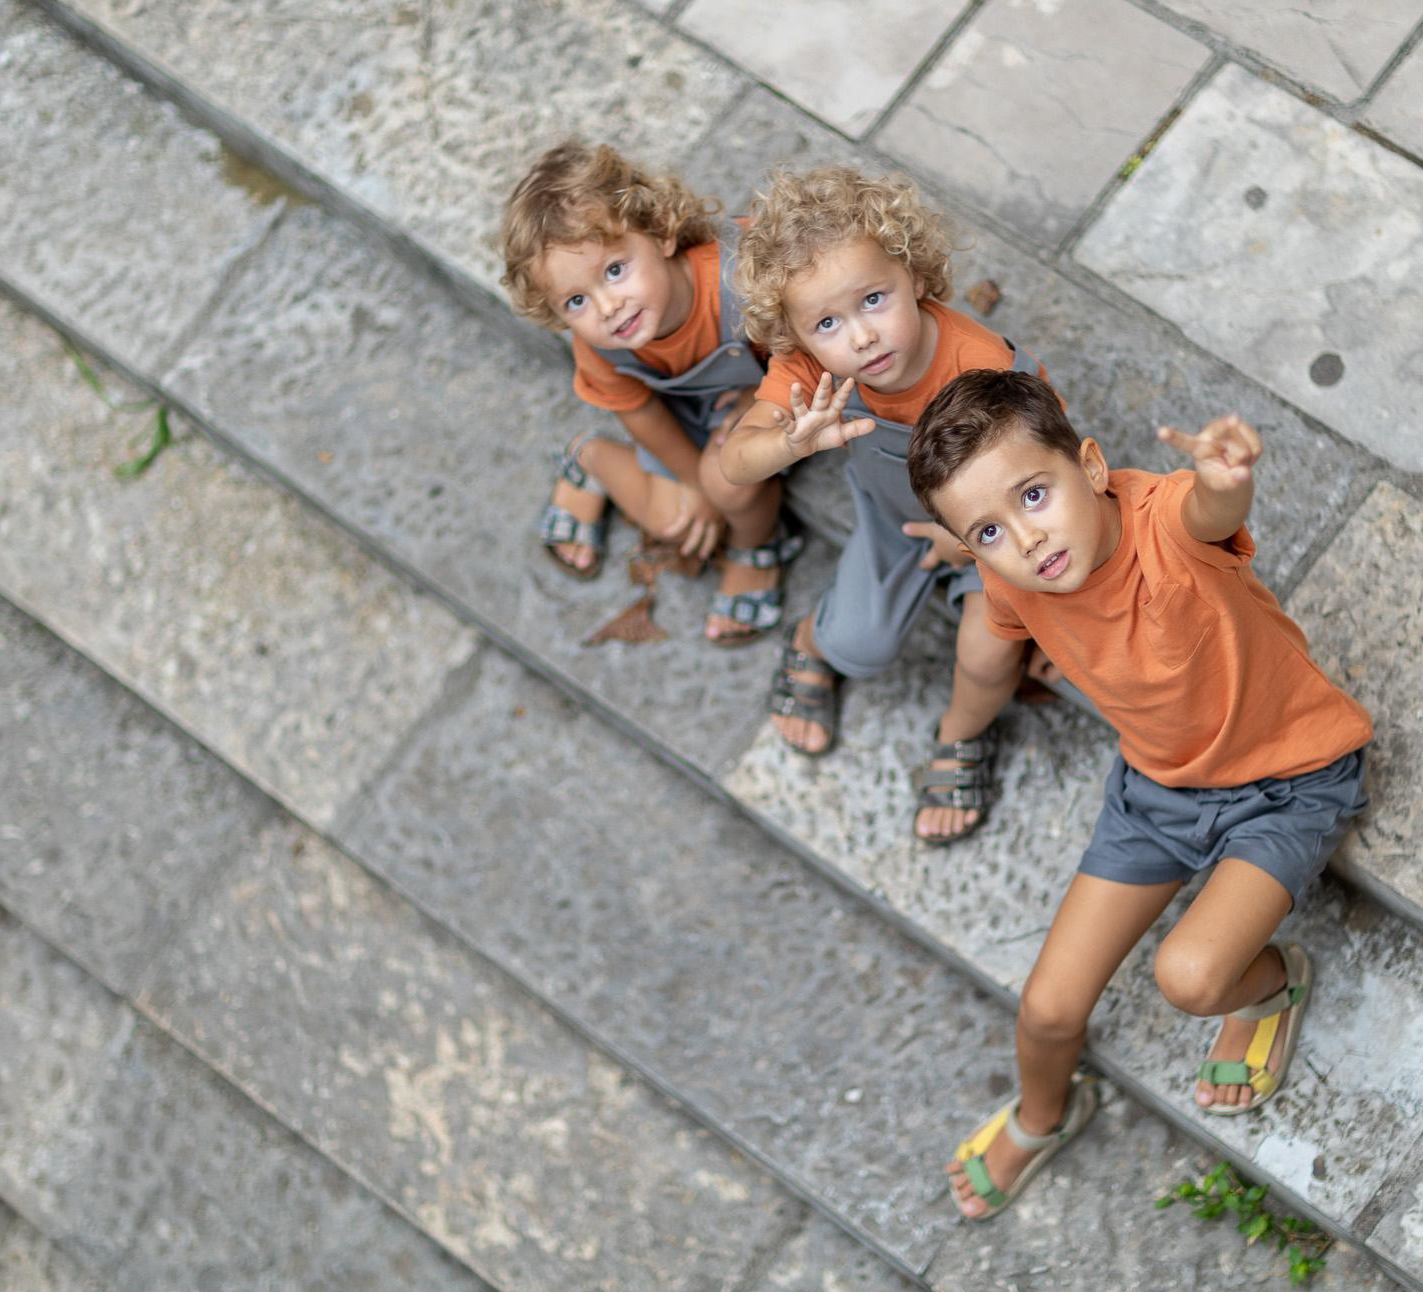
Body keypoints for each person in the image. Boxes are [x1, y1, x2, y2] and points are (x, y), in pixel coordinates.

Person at [905, 369, 1373, 1219]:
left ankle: (1274, 985)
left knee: (1191, 977)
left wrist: (1226, 478)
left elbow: (1208, 513)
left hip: (1290, 778)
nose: (1027, 538)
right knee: (1046, 1009)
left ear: (1091, 465)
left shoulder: (1165, 522)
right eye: (990, 530)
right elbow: (999, 599)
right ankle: (1044, 1116)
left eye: (1035, 494)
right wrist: (959, 547)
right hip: (1157, 789)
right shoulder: (1013, 576)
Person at [720, 166, 1051, 841]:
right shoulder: (813, 367)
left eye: (874, 299)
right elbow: (735, 460)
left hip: (996, 528)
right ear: (797, 336)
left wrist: (968, 543)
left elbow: (1047, 472)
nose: (861, 337)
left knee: (992, 652)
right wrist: (789, 441)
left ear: (918, 278)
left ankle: (960, 733)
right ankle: (813, 639)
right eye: (827, 322)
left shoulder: (983, 366)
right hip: (893, 517)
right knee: (857, 645)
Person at [499, 140, 801, 643]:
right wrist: (694, 486)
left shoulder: (741, 281)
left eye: (615, 270)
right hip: (682, 412)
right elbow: (639, 411)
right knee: (676, 521)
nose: (608, 307)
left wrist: (763, 395)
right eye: (577, 300)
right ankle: (593, 459)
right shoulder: (599, 345)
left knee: (733, 482)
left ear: (660, 233)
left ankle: (757, 550)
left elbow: (809, 339)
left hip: (771, 389)